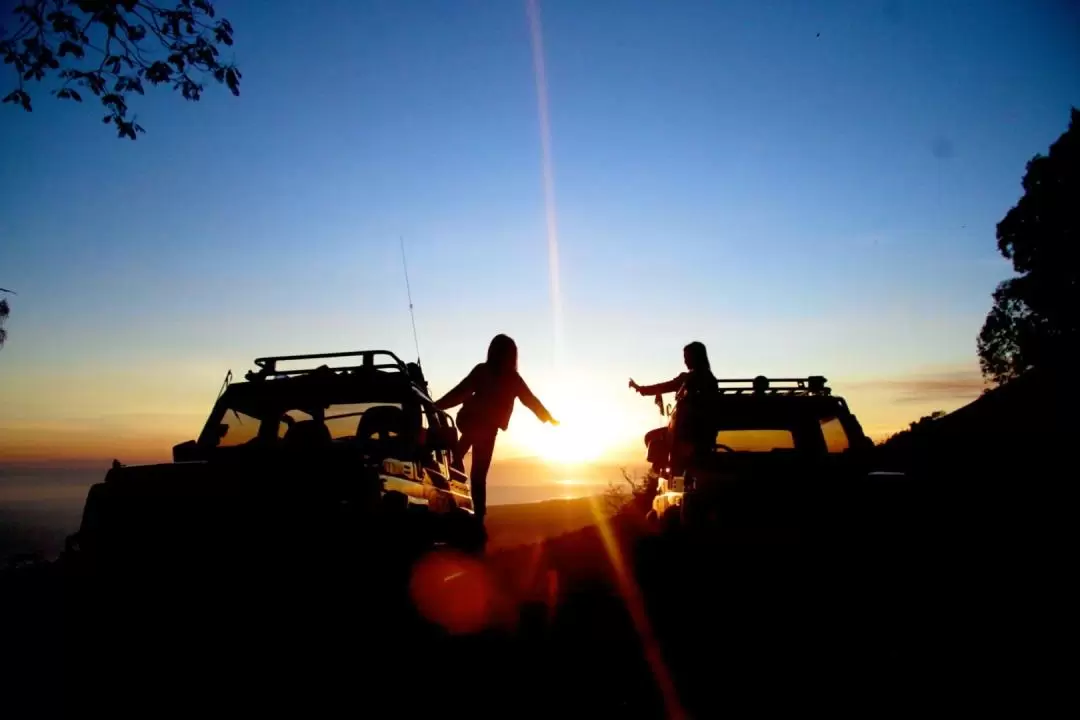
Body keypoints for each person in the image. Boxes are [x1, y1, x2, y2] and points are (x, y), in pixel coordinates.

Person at [434, 334, 559, 522]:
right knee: (478, 470)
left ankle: (476, 514)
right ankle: (477, 516)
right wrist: (436, 406)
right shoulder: (492, 374)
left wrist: (547, 416)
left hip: (482, 427)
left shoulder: (506, 377)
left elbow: (529, 400)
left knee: (476, 469)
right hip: (472, 421)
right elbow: (460, 392)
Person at [629, 341, 718, 477]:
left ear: (696, 357)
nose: (685, 361)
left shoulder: (688, 379)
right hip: (703, 434)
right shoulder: (710, 379)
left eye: (687, 357)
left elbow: (664, 386)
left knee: (650, 437)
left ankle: (666, 470)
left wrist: (640, 389)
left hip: (684, 433)